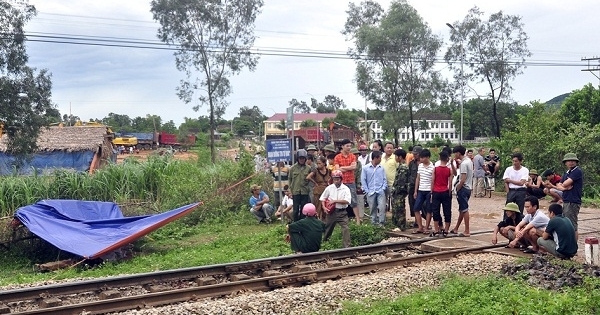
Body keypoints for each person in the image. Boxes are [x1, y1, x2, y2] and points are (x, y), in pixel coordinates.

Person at [321, 170, 352, 248]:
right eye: (334, 179)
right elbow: (322, 198)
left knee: (346, 228)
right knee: (328, 229)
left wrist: (335, 201)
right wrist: (324, 207)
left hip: (342, 211)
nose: (336, 181)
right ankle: (325, 244)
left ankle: (346, 247)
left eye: (337, 179)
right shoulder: (329, 188)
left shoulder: (346, 189)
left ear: (341, 179)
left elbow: (347, 201)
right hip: (331, 212)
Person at [556, 153, 583, 239]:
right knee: (567, 222)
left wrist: (563, 186)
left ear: (576, 162)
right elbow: (559, 185)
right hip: (567, 200)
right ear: (565, 163)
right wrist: (565, 189)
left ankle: (574, 246)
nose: (571, 163)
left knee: (572, 224)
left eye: (573, 161)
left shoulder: (577, 171)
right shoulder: (567, 173)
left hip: (573, 201)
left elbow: (564, 183)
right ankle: (570, 243)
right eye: (569, 161)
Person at [334, 139, 360, 224]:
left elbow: (354, 167)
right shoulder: (337, 157)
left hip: (351, 181)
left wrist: (343, 168)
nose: (349, 148)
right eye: (347, 146)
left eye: (350, 146)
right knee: (340, 200)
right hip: (341, 182)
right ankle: (340, 219)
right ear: (342, 146)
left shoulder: (352, 156)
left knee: (353, 200)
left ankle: (358, 219)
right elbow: (337, 169)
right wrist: (349, 167)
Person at [450, 145, 472, 237]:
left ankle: (467, 230)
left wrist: (458, 188)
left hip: (463, 188)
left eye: (455, 153)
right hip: (469, 187)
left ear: (458, 153)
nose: (455, 155)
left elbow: (462, 179)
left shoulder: (463, 164)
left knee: (464, 209)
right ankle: (456, 228)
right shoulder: (469, 161)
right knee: (462, 210)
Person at [430, 150, 453, 237]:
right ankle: (446, 230)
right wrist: (449, 192)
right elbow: (450, 183)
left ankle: (436, 230)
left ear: (439, 158)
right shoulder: (449, 170)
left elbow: (432, 181)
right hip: (445, 192)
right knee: (447, 211)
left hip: (436, 191)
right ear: (447, 158)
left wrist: (431, 192)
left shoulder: (435, 169)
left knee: (435, 210)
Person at [361, 151, 387, 226]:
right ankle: (373, 223)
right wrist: (367, 191)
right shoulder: (365, 168)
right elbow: (363, 180)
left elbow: (384, 179)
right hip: (371, 191)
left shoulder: (381, 168)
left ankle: (381, 223)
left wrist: (383, 188)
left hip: (380, 191)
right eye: (379, 158)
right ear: (375, 158)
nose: (380, 160)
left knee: (382, 207)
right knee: (372, 208)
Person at [412, 148, 434, 234]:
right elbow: (418, 178)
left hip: (429, 190)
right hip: (420, 190)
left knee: (429, 209)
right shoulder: (420, 166)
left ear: (427, 157)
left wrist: (432, 191)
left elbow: (433, 180)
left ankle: (427, 227)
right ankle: (420, 226)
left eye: (422, 158)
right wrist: (415, 191)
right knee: (416, 208)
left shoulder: (433, 167)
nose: (420, 159)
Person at [288, 149, 312, 222]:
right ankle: (295, 223)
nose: (301, 160)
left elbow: (311, 180)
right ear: (297, 159)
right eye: (300, 158)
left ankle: (302, 223)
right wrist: (290, 192)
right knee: (295, 210)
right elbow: (289, 180)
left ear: (305, 159)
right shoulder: (292, 168)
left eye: (303, 158)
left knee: (303, 209)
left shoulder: (308, 168)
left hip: (305, 192)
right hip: (295, 192)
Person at [306, 156, 331, 221]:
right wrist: (315, 183)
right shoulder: (316, 171)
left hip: (326, 190)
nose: (318, 165)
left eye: (319, 163)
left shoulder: (328, 171)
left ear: (324, 163)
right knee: (318, 207)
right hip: (318, 191)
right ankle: (316, 220)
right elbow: (308, 177)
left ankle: (325, 221)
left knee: (326, 206)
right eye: (317, 163)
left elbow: (332, 178)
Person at [391, 149, 409, 230]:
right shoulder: (400, 166)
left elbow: (401, 182)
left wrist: (396, 190)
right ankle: (397, 226)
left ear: (400, 157)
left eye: (396, 156)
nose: (395, 158)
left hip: (400, 192)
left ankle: (401, 226)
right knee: (396, 209)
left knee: (399, 209)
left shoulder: (403, 167)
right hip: (397, 192)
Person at [408, 145, 422, 226]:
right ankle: (417, 222)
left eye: (416, 154)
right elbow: (409, 174)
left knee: (422, 205)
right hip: (413, 186)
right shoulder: (411, 163)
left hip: (422, 186)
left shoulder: (424, 163)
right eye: (414, 154)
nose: (414, 155)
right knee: (413, 204)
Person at [381, 142, 398, 212]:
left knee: (394, 201)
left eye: (391, 148)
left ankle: (394, 217)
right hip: (382, 183)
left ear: (393, 149)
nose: (389, 149)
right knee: (383, 201)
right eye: (388, 148)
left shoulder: (395, 158)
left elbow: (398, 169)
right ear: (384, 149)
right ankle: (384, 217)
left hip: (392, 183)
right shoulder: (381, 157)